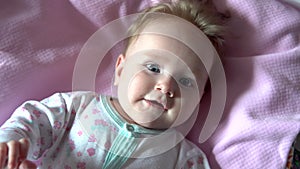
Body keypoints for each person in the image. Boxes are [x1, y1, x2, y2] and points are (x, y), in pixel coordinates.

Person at [0, 0, 225, 168]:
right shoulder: (77, 108)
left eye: (186, 81)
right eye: (153, 68)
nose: (166, 86)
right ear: (120, 70)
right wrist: (10, 143)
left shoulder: (184, 159)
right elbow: (33, 119)